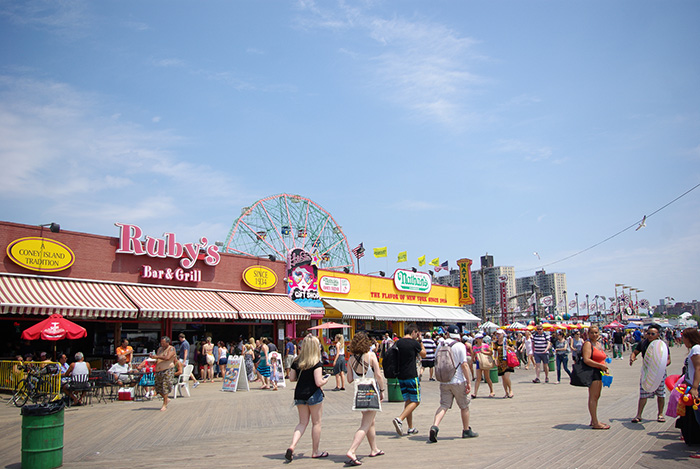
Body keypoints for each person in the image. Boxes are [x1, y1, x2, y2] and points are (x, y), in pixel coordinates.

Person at [429, 325, 478, 443]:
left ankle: (435, 426)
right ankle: (466, 430)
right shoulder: (460, 346)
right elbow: (464, 365)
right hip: (458, 380)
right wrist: (468, 381)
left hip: (444, 380)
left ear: (447, 334)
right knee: (464, 406)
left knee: (444, 405)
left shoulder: (440, 345)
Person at [285, 335, 330, 461]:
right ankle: (315, 451)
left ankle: (292, 446)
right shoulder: (317, 362)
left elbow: (292, 378)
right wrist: (326, 380)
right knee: (316, 423)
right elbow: (318, 382)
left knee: (302, 423)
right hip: (313, 394)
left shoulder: (297, 361)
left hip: (299, 394)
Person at [345, 332, 386, 465]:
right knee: (366, 424)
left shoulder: (351, 359)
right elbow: (378, 376)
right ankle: (352, 450)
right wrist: (382, 390)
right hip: (371, 390)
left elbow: (350, 379)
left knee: (370, 421)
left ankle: (374, 448)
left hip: (359, 392)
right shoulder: (371, 355)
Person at [630, 325, 671, 423]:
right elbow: (635, 352)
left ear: (657, 335)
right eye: (648, 333)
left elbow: (669, 359)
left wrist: (661, 366)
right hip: (647, 371)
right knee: (643, 393)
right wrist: (632, 357)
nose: (650, 335)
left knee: (660, 394)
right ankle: (639, 415)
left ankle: (660, 414)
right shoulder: (643, 343)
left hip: (659, 372)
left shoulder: (662, 345)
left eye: (653, 334)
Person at [392, 323, 427, 437]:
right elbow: (424, 354)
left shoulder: (398, 342)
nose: (417, 336)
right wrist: (420, 341)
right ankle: (400, 419)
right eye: (417, 334)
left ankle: (410, 428)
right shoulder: (414, 343)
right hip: (411, 375)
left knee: (408, 401)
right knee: (416, 401)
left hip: (400, 376)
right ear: (413, 332)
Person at [582, 326, 610, 430]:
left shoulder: (598, 344)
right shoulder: (588, 344)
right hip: (593, 372)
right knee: (593, 397)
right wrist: (601, 366)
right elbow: (586, 359)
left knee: (597, 396)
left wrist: (604, 367)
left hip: (600, 372)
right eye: (592, 333)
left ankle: (593, 419)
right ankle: (595, 422)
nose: (595, 335)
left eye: (596, 333)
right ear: (588, 334)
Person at [680, 328, 700, 459]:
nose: (682, 340)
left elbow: (698, 368)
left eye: (684, 337)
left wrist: (695, 387)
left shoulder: (696, 349)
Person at [151, 336, 176, 411]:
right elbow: (159, 358)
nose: (162, 344)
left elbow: (167, 358)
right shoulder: (159, 349)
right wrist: (154, 359)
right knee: (158, 387)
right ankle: (166, 399)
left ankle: (164, 404)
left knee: (165, 387)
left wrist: (156, 356)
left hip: (167, 370)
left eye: (163, 342)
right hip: (159, 370)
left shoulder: (171, 348)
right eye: (161, 342)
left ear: (168, 342)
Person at [471, 333, 495, 398]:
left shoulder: (485, 346)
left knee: (487, 377)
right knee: (478, 378)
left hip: (485, 362)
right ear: (476, 339)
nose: (481, 339)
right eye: (479, 338)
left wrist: (484, 352)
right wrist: (472, 360)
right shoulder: (474, 347)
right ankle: (475, 393)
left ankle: (492, 391)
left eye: (481, 338)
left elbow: (491, 352)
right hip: (479, 362)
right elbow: (473, 354)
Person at [494, 329, 515, 398]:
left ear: (503, 334)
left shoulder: (507, 341)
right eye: (497, 334)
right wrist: (495, 360)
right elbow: (495, 353)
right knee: (503, 378)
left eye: (499, 334)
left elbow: (513, 349)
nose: (498, 335)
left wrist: (508, 347)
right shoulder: (496, 343)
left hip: (507, 360)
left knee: (506, 376)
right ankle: (506, 392)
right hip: (500, 361)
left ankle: (510, 390)